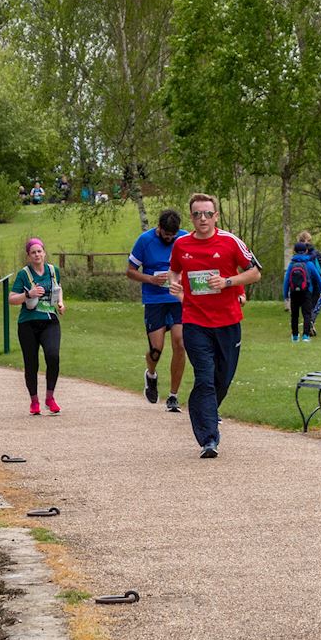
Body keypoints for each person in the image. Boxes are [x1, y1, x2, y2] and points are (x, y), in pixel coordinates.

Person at [168, 193, 262, 459]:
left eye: (207, 214)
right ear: (191, 217)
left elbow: (255, 272)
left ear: (216, 216)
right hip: (195, 322)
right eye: (197, 214)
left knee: (222, 379)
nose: (202, 219)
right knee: (205, 377)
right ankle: (209, 438)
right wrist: (175, 287)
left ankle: (203, 410)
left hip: (228, 322)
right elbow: (174, 272)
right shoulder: (181, 245)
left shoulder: (231, 241)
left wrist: (227, 282)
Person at [127, 209, 188, 411]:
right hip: (154, 299)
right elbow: (130, 271)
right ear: (159, 228)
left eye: (173, 236)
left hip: (177, 298)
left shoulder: (185, 238)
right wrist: (151, 279)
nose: (170, 239)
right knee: (156, 349)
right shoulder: (145, 240)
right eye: (166, 235)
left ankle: (173, 396)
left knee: (180, 343)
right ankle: (151, 374)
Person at [10, 237, 65, 415]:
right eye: (33, 252)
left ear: (44, 253)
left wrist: (61, 303)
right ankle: (34, 401)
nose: (37, 255)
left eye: (39, 251)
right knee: (31, 363)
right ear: (28, 256)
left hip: (50, 320)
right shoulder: (23, 274)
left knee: (53, 355)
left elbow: (58, 288)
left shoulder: (52, 270)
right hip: (28, 323)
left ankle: (50, 397)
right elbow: (11, 299)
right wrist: (29, 294)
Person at [283, 237, 321, 343]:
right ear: (306, 251)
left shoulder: (291, 264)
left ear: (294, 251)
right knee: (307, 314)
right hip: (307, 292)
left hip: (294, 293)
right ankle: (306, 336)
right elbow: (318, 277)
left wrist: (285, 295)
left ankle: (295, 336)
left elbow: (286, 280)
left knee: (295, 315)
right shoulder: (309, 264)